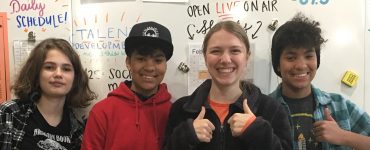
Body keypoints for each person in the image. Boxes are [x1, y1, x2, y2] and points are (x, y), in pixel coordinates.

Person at [163, 20, 291, 150]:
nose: (225, 60)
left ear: (247, 57)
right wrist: (186, 136)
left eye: (235, 51)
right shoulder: (181, 109)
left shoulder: (272, 109)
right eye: (216, 51)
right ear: (205, 58)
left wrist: (257, 131)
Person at [269, 13, 370, 150]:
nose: (301, 65)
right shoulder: (265, 109)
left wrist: (344, 136)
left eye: (308, 56)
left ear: (317, 61)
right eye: (291, 57)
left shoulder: (339, 105)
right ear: (278, 65)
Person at [81, 21, 174, 150]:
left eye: (158, 60)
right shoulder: (102, 112)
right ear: (128, 62)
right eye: (141, 59)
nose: (150, 67)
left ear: (165, 65)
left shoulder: (175, 113)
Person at [0, 38, 97, 150]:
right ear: (36, 73)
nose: (58, 74)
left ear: (75, 78)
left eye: (66, 69)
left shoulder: (79, 130)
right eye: (49, 67)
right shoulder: (10, 113)